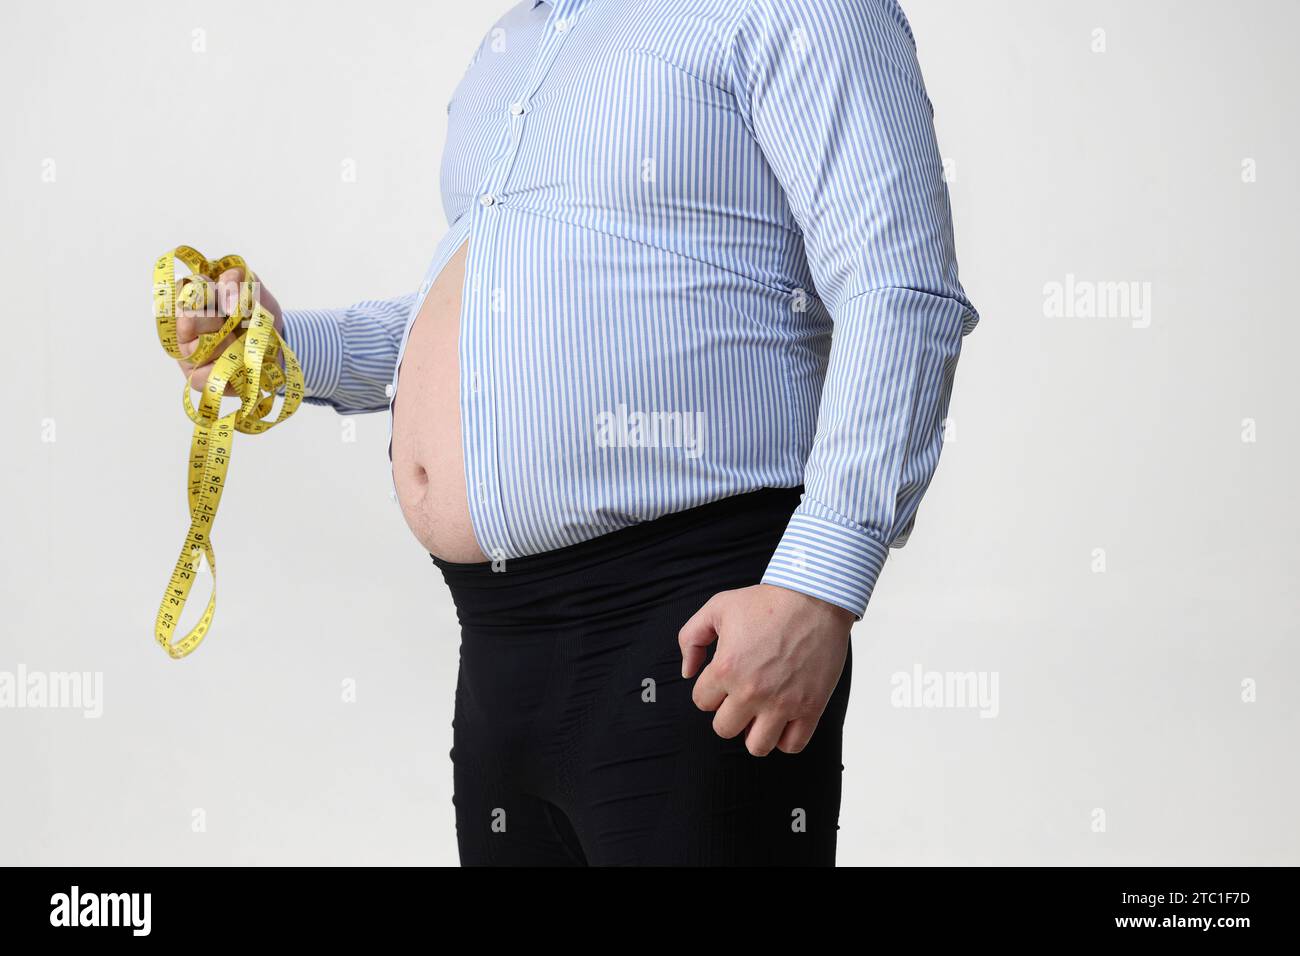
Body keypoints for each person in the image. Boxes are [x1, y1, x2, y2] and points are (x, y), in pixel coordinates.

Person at [175, 0, 979, 866]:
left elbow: (899, 287)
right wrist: (281, 350)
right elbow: (492, 317)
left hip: (694, 625)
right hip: (498, 650)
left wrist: (819, 591)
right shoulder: (517, 45)